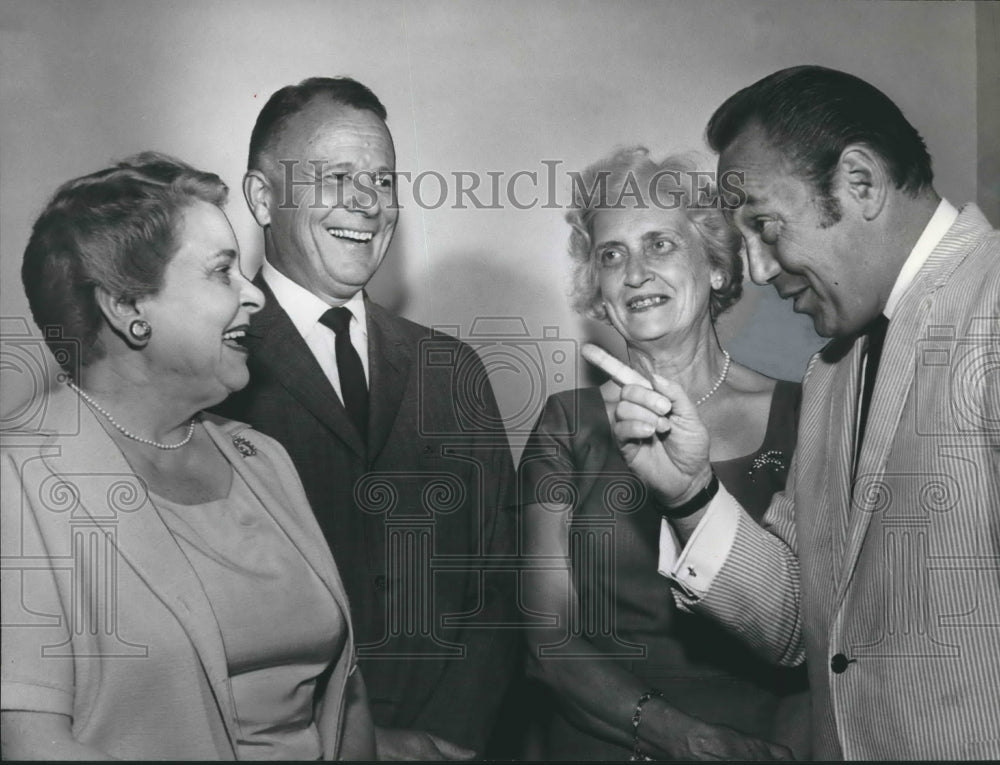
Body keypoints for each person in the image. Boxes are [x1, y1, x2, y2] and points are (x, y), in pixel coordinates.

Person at [606, 65, 1000, 759]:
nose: (757, 269)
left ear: (860, 182)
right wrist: (692, 494)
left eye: (764, 224)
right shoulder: (832, 372)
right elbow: (800, 621)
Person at [0, 153, 373, 760]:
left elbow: (347, 696)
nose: (253, 296)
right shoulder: (16, 476)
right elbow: (31, 745)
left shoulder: (262, 459)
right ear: (127, 309)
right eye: (222, 272)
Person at [216, 77, 518, 760]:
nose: (367, 202)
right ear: (262, 197)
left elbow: (500, 577)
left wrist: (451, 737)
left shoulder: (452, 369)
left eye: (382, 180)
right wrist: (354, 744)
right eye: (335, 176)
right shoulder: (211, 371)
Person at [519, 147, 808, 761]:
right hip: (607, 742)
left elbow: (837, 634)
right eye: (611, 255)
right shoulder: (567, 425)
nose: (634, 273)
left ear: (718, 268)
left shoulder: (806, 412)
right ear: (598, 290)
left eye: (660, 245)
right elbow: (547, 642)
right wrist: (689, 740)